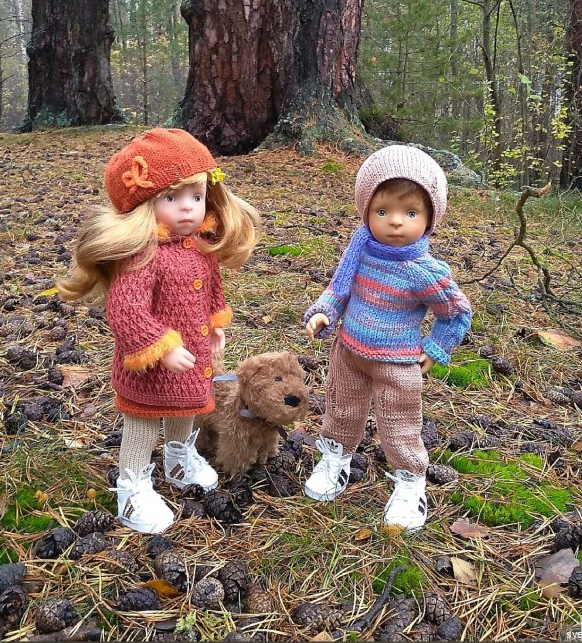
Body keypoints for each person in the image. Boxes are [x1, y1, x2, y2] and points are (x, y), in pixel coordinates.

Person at [58, 128, 260, 533]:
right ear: (144, 206)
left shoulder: (198, 245)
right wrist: (160, 346)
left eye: (197, 197)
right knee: (144, 419)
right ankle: (131, 486)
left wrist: (215, 324)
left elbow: (212, 289)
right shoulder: (143, 255)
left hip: (191, 355)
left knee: (187, 406)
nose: (188, 208)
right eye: (171, 198)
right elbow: (125, 310)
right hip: (148, 366)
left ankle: (178, 457)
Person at [303, 144, 472, 532]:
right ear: (366, 211)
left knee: (399, 425)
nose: (395, 222)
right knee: (341, 410)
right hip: (348, 352)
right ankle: (335, 459)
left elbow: (456, 312)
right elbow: (340, 289)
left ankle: (411, 481)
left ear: (429, 218)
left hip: (397, 364)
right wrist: (325, 311)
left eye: (410, 213)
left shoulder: (423, 271)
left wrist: (435, 347)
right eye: (382, 211)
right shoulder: (360, 247)